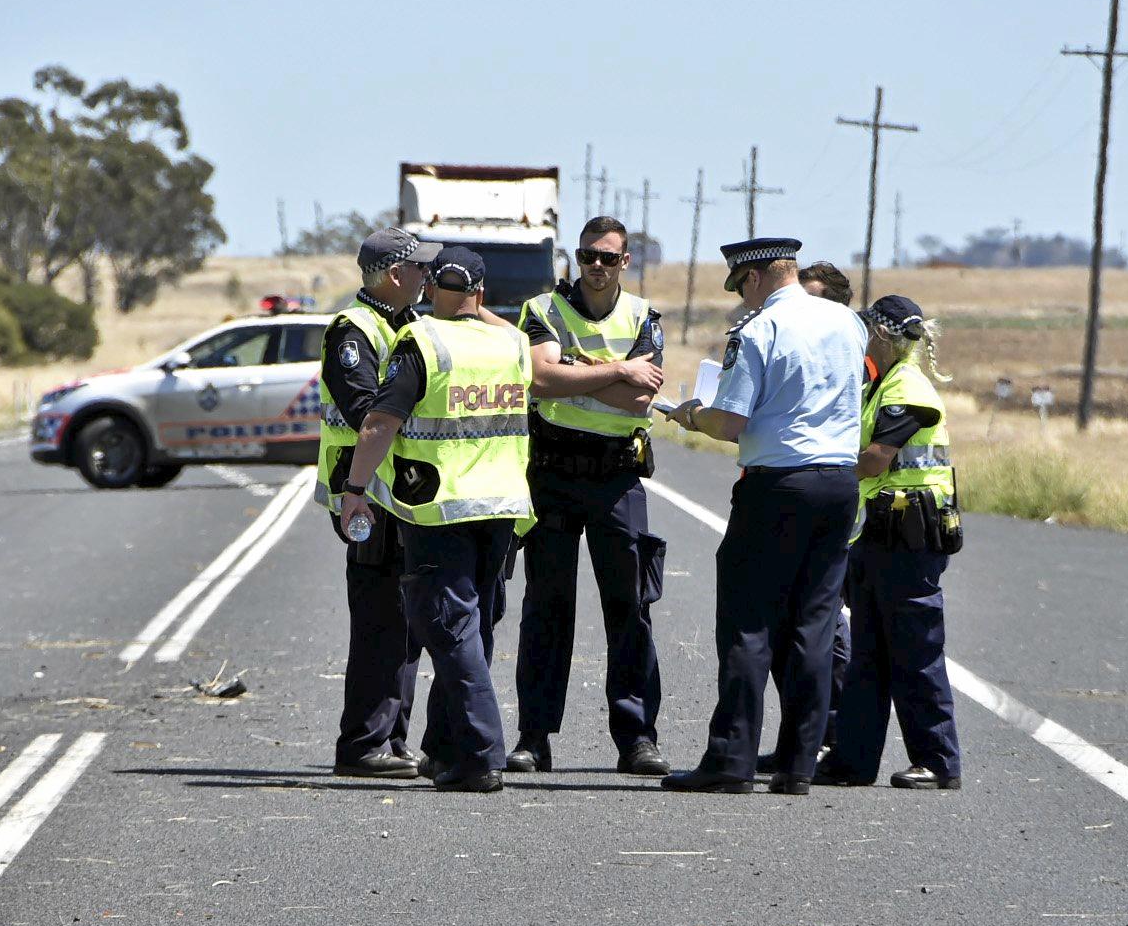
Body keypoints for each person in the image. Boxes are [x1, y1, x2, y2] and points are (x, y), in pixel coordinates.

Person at [662, 238, 867, 795]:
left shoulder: (758, 331)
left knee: (749, 623)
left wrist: (690, 416)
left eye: (741, 287)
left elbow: (730, 422)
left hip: (777, 484)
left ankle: (731, 759)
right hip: (838, 482)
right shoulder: (848, 323)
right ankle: (799, 764)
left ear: (752, 279)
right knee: (813, 624)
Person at [339, 246, 532, 793]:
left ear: (431, 292)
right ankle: (448, 750)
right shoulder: (512, 342)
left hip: (440, 509)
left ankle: (480, 753)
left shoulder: (422, 340)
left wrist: (356, 489)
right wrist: (478, 306)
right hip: (502, 510)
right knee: (475, 629)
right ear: (481, 293)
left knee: (450, 630)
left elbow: (379, 423)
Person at [507, 216, 671, 777]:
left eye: (607, 257)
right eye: (586, 256)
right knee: (547, 608)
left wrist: (577, 368)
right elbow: (541, 381)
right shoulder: (542, 310)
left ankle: (636, 738)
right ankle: (534, 736)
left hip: (616, 477)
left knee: (629, 608)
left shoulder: (645, 315)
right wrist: (619, 369)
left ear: (626, 261)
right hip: (551, 473)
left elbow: (639, 403)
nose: (596, 267)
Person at [816, 294, 963, 790]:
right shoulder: (880, 385)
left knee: (915, 650)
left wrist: (818, 471)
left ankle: (938, 762)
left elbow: (876, 458)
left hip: (911, 534)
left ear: (881, 333)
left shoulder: (907, 388)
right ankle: (851, 762)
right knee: (869, 655)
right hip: (881, 532)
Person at [316, 227, 439, 778]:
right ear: (394, 275)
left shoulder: (412, 323)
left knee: (408, 626)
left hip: (405, 494)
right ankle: (362, 743)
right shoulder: (354, 330)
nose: (426, 276)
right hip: (365, 496)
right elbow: (368, 407)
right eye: (418, 268)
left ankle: (392, 740)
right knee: (378, 623)